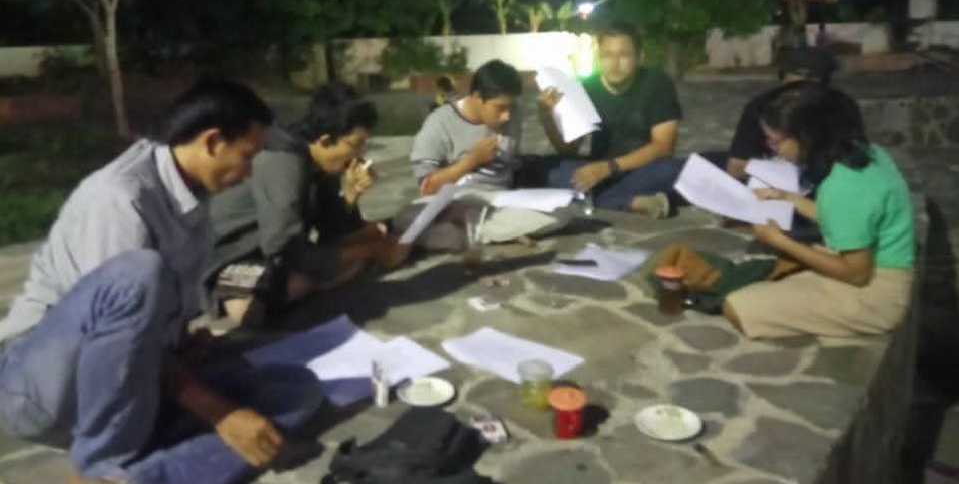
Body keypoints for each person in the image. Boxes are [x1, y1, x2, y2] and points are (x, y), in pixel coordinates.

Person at [0, 79, 324, 484]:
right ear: (212, 142)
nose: (247, 174)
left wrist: (181, 342)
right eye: (246, 157)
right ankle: (99, 465)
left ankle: (139, 476)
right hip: (43, 387)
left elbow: (144, 333)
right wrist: (219, 413)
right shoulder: (119, 197)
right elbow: (115, 330)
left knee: (296, 389)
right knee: (140, 273)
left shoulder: (195, 195)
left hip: (131, 384)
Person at [207, 82, 410, 326]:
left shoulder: (320, 159)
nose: (361, 154)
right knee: (251, 309)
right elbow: (283, 249)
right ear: (325, 140)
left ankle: (319, 277)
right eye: (356, 144)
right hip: (236, 255)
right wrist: (370, 251)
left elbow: (331, 231)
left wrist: (352, 193)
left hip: (275, 251)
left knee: (372, 235)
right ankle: (309, 282)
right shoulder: (282, 162)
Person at [723, 85, 915, 339]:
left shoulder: (845, 186)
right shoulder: (866, 154)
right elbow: (844, 217)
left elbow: (857, 274)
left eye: (775, 141)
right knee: (773, 274)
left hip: (875, 294)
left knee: (737, 307)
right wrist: (786, 197)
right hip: (876, 268)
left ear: (806, 137)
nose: (773, 149)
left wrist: (778, 240)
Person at [533, 22, 683, 217]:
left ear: (639, 58)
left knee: (675, 170)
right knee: (553, 169)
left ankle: (602, 199)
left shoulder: (656, 83)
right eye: (607, 55)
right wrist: (547, 116)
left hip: (643, 168)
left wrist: (610, 167)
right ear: (599, 58)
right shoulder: (587, 88)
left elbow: (663, 147)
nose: (614, 63)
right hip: (598, 170)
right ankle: (631, 201)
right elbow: (569, 149)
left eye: (623, 55)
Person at [409, 60, 564, 244]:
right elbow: (427, 187)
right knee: (408, 218)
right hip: (459, 200)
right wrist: (471, 161)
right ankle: (500, 230)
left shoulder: (512, 113)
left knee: (563, 211)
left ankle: (477, 230)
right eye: (500, 108)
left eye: (510, 107)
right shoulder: (439, 123)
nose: (507, 116)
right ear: (477, 97)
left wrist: (546, 114)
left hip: (501, 201)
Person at [725, 47, 838, 182]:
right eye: (792, 87)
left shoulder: (839, 111)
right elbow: (736, 166)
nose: (799, 96)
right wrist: (775, 172)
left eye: (807, 89)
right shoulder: (760, 106)